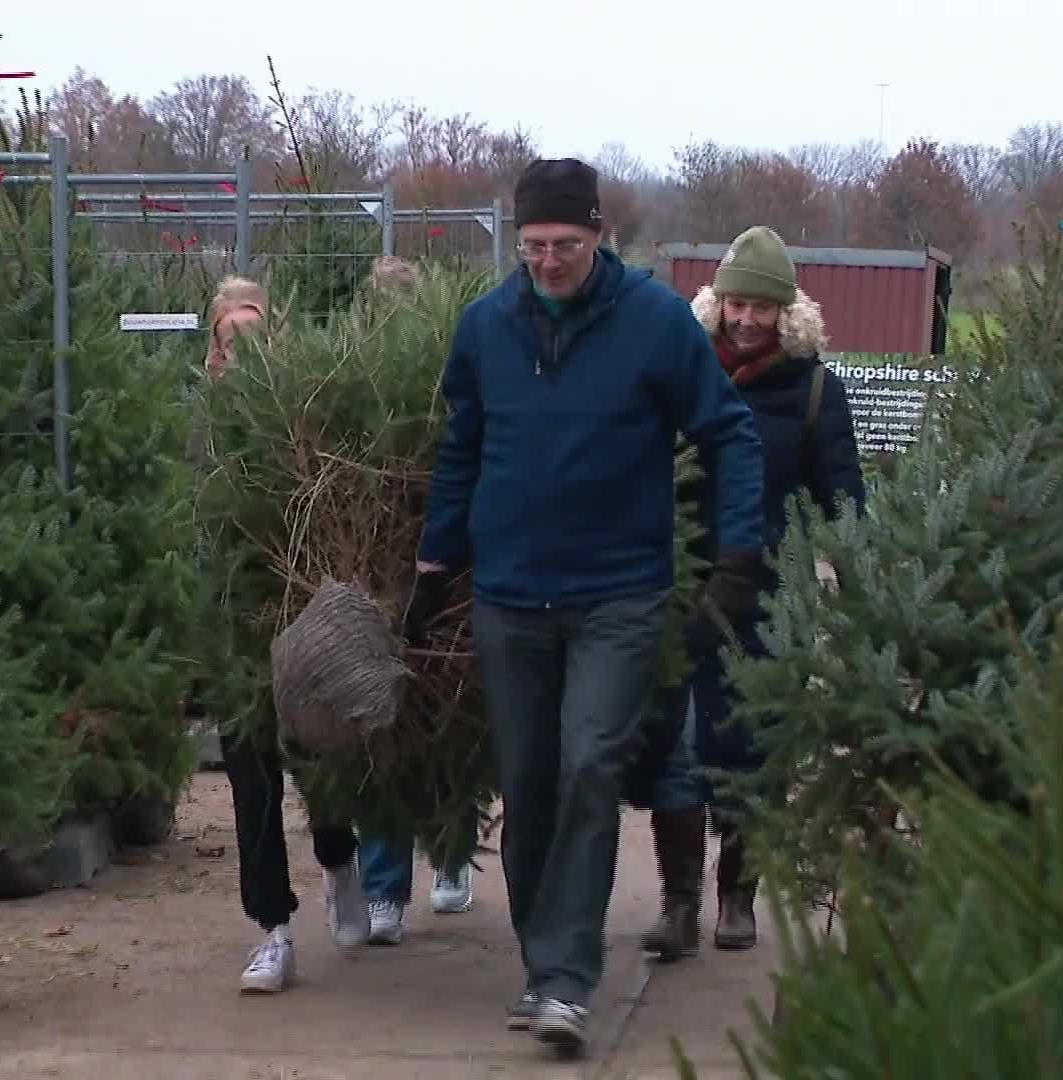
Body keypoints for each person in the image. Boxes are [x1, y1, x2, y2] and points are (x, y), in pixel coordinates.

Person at [405, 157, 766, 1052]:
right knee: (530, 783)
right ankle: (544, 967)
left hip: (619, 595)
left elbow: (730, 432)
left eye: (565, 244)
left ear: (599, 235)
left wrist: (737, 555)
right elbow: (461, 450)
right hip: (510, 596)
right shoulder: (485, 328)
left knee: (591, 766)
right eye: (533, 246)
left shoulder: (654, 323)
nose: (548, 262)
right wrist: (434, 564)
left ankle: (568, 981)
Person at [637, 225, 864, 960]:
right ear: (717, 303)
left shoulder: (815, 392)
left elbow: (844, 502)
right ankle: (679, 901)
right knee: (677, 745)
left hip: (769, 601)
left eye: (760, 308)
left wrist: (860, 589)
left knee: (753, 749)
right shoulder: (684, 374)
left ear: (786, 312)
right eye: (735, 304)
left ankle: (738, 892)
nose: (745, 319)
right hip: (681, 589)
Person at [197, 277, 371, 994]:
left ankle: (339, 859)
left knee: (318, 756)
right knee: (251, 775)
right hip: (233, 625)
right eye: (230, 339)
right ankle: (272, 929)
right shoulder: (201, 427)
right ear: (215, 349)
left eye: (256, 335)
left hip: (302, 622)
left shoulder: (303, 417)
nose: (243, 350)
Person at [352, 251, 484, 945]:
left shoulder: (449, 376)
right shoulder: (353, 380)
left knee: (449, 721)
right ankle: (385, 887)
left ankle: (451, 857)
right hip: (378, 575)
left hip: (447, 572)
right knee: (383, 731)